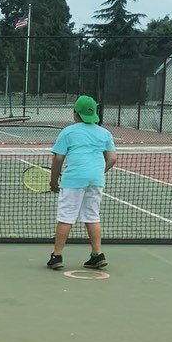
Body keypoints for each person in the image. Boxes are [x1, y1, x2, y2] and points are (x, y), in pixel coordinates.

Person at [47, 95, 117, 270]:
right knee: (92, 217)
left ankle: (57, 256)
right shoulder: (104, 133)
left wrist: (53, 181)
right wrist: (98, 173)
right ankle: (97, 255)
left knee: (66, 218)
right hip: (96, 181)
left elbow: (58, 159)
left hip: (73, 180)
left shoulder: (68, 132)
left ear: (75, 113)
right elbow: (113, 158)